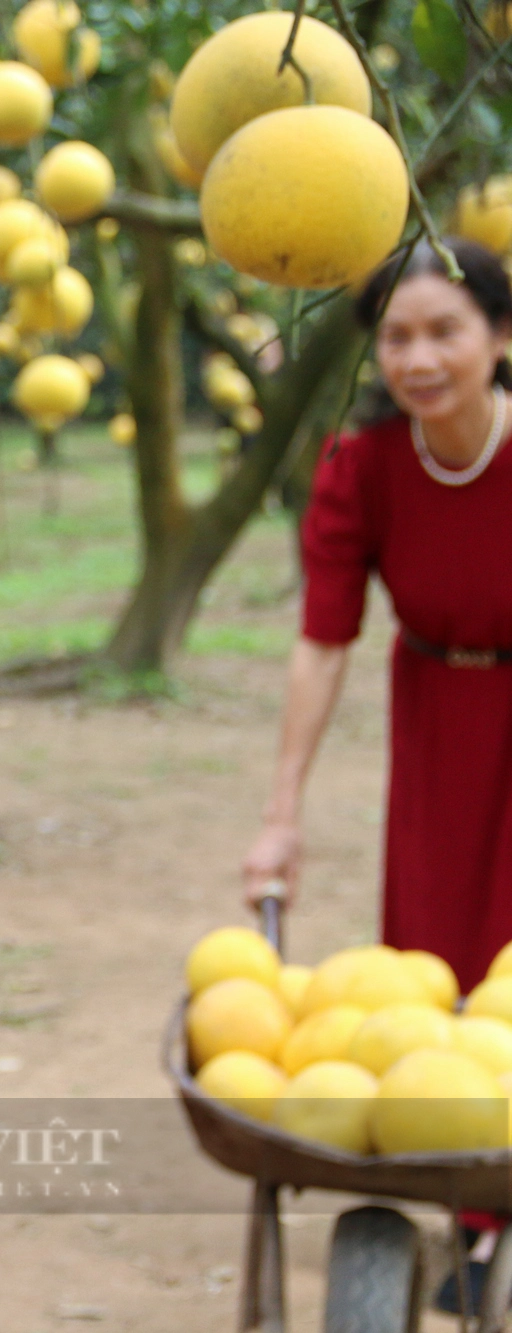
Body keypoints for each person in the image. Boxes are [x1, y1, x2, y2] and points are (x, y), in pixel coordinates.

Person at [243, 237, 512, 995]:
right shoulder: (361, 469)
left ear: (500, 335)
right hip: (437, 728)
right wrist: (281, 814)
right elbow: (323, 644)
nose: (418, 360)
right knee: (434, 968)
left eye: (444, 332)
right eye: (396, 338)